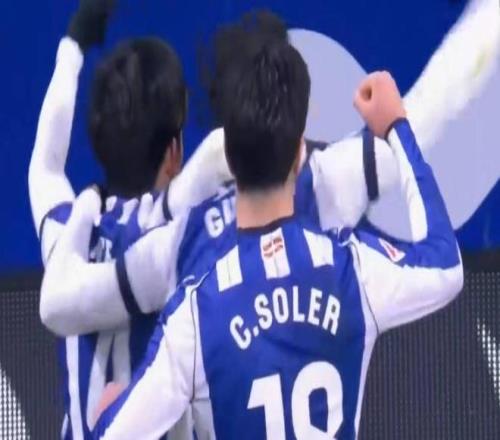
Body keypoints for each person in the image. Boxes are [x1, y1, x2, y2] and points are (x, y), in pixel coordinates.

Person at [89, 29, 463, 438]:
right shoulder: (352, 272)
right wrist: (395, 128)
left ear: (227, 156)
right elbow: (445, 266)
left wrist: (107, 417)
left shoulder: (193, 316)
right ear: (300, 153)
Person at [29, 1, 233, 438]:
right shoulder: (183, 236)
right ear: (174, 151)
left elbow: (44, 168)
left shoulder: (69, 241)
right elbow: (220, 158)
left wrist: (73, 45)